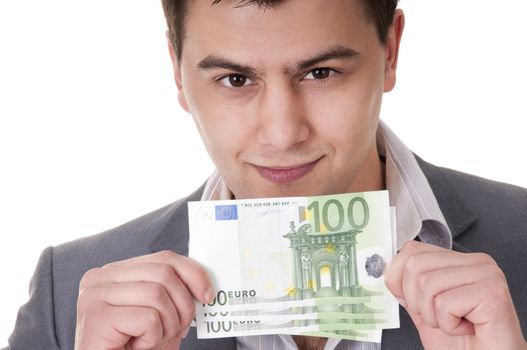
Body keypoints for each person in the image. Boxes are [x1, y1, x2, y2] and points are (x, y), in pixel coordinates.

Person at [6, 0, 527, 349]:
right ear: (177, 71)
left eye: (321, 73)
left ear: (389, 51)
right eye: (235, 79)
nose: (282, 134)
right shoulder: (68, 300)